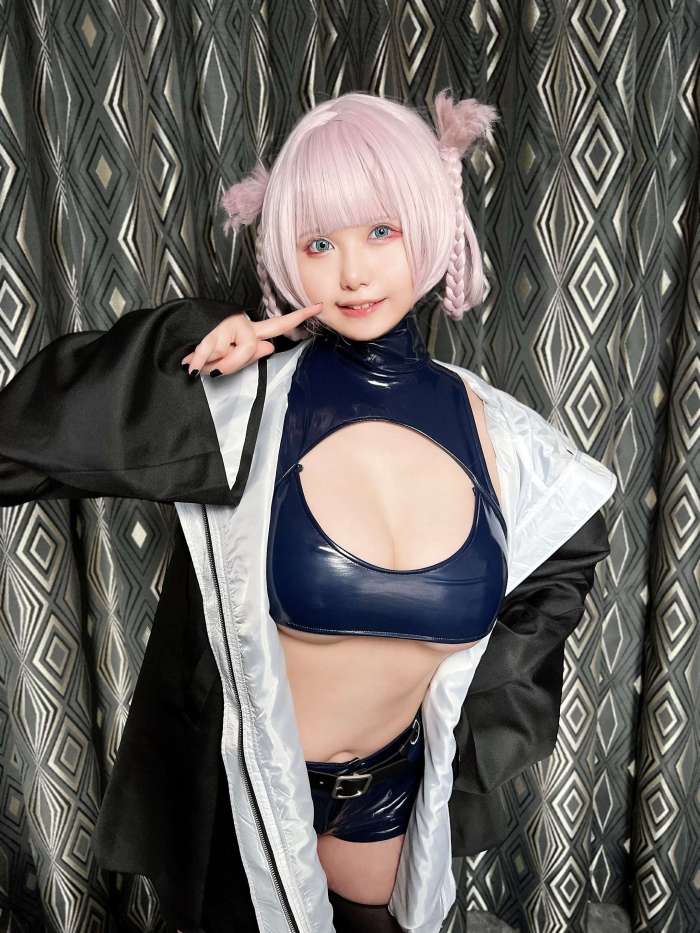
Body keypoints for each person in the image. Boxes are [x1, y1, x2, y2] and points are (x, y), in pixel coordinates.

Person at [0, 91, 617, 933]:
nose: (352, 272)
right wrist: (191, 343)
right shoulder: (248, 403)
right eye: (319, 243)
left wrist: (469, 718)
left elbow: (566, 554)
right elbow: (25, 442)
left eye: (381, 231)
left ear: (430, 222)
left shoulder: (503, 437)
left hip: (392, 794)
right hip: (252, 796)